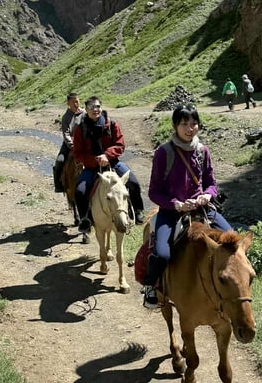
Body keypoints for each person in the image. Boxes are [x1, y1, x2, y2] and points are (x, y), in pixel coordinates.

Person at [141, 104, 233, 308]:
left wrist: (207, 196)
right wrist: (177, 204)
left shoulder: (202, 151)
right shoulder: (163, 153)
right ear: (175, 126)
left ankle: (232, 290)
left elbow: (211, 184)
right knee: (162, 254)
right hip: (171, 212)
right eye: (184, 124)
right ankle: (150, 286)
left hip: (202, 209)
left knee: (233, 241)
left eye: (194, 123)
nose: (190, 129)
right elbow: (154, 192)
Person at [72, 96, 145, 232]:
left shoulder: (111, 124)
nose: (95, 109)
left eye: (98, 106)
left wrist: (107, 155)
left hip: (113, 163)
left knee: (133, 182)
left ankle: (137, 210)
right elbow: (78, 154)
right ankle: (85, 220)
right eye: (91, 107)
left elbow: (120, 144)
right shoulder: (80, 129)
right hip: (92, 168)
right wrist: (95, 160)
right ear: (86, 109)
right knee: (80, 191)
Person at [52, 92, 84, 193]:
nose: (76, 104)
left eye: (77, 101)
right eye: (73, 102)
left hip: (84, 142)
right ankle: (58, 185)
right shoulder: (66, 117)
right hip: (69, 144)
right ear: (68, 103)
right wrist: (72, 145)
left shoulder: (84, 114)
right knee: (60, 160)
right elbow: (66, 134)